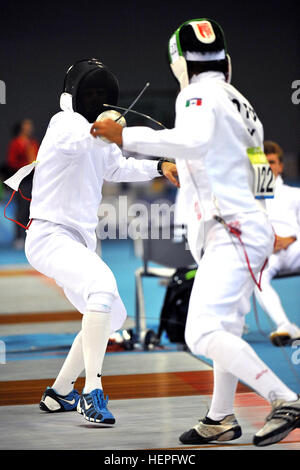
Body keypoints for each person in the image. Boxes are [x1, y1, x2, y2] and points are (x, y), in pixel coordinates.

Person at [91, 19, 300, 446]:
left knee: (200, 331)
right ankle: (221, 417)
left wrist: (122, 135)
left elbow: (193, 140)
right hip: (247, 228)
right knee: (228, 327)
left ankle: (285, 398)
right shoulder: (241, 102)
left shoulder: (196, 93)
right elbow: (257, 171)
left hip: (232, 231)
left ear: (180, 63)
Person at [23, 58, 178, 424]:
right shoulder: (64, 123)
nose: (95, 99)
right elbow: (82, 140)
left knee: (114, 315)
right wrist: (110, 127)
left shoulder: (99, 132)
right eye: (89, 93)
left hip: (78, 240)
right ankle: (92, 392)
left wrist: (159, 166)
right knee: (102, 284)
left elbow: (116, 166)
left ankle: (59, 392)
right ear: (75, 95)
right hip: (49, 234)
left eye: (100, 95)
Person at [254, 141, 300, 346]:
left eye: (272, 162)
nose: (268, 166)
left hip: (294, 247)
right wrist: (267, 243)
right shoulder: (249, 197)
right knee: (257, 276)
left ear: (281, 165)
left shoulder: (294, 194)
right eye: (263, 162)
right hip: (268, 253)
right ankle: (285, 326)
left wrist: (290, 239)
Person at [5, 119, 39, 249]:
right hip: (22, 180)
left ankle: (33, 237)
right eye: (27, 125)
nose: (29, 127)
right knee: (22, 209)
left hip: (35, 180)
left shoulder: (33, 143)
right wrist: (26, 167)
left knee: (34, 209)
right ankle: (19, 237)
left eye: (30, 125)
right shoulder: (15, 144)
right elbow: (11, 162)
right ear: (21, 128)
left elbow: (38, 159)